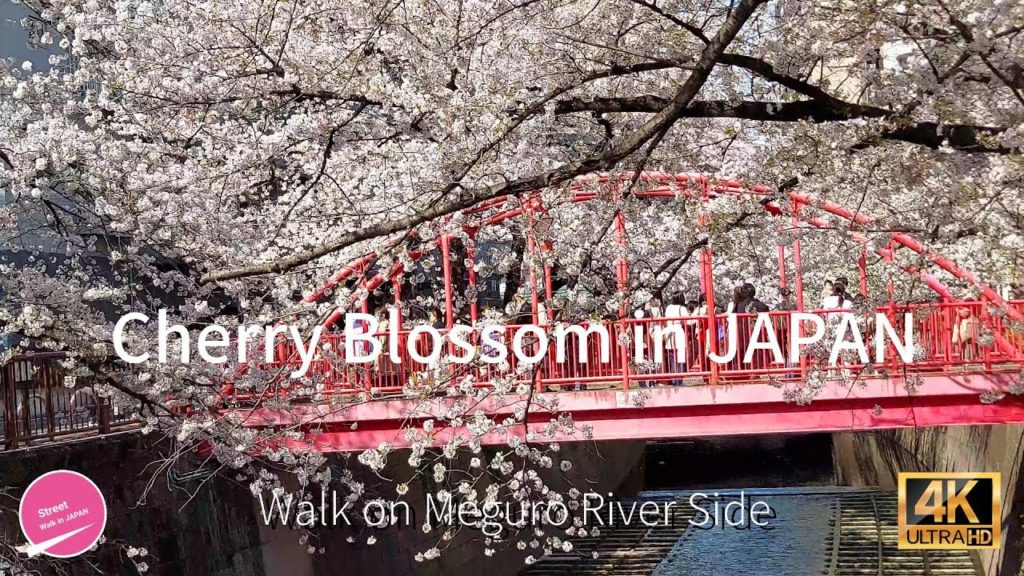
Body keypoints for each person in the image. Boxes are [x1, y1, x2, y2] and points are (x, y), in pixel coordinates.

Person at [662, 294, 689, 385]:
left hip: (669, 332)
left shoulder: (668, 308)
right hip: (679, 333)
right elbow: (688, 321)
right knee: (680, 357)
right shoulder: (682, 308)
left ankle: (673, 378)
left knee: (672, 357)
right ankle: (679, 379)